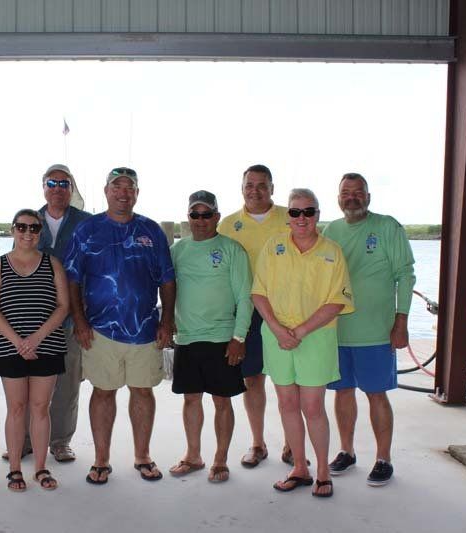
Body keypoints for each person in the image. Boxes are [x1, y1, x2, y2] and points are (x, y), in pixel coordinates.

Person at [65, 167, 176, 485]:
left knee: (142, 392)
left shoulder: (151, 230)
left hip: (144, 330)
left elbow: (167, 280)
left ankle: (142, 456)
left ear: (137, 193)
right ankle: (101, 460)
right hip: (99, 330)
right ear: (106, 191)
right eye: (117, 186)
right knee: (103, 392)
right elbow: (73, 279)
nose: (123, 192)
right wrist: (80, 321)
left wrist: (167, 322)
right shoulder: (88, 229)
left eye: (130, 187)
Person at [251, 188, 354, 498]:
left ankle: (323, 471)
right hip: (277, 337)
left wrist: (302, 330)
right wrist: (277, 328)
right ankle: (299, 468)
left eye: (308, 212)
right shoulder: (273, 247)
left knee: (312, 407)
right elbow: (259, 292)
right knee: (287, 404)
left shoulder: (332, 252)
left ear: (317, 215)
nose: (301, 218)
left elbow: (338, 300)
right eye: (295, 212)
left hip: (316, 338)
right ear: (288, 217)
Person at [323, 172, 415, 487]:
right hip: (336, 332)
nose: (352, 197)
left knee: (376, 394)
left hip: (377, 332)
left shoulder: (387, 226)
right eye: (346, 192)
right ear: (338, 198)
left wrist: (401, 321)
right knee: (342, 392)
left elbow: (406, 275)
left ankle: (383, 458)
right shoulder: (331, 230)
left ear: (368, 196)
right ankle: (346, 452)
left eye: (358, 191)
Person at [3, 164, 92, 463]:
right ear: (43, 187)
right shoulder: (30, 221)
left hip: (71, 318)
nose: (57, 188)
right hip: (28, 318)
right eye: (52, 182)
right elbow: (12, 265)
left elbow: (95, 269)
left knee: (67, 383)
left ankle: (61, 441)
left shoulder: (86, 223)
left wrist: (84, 318)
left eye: (64, 183)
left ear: (71, 188)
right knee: (27, 383)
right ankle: (25, 439)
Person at [168, 191, 253, 483]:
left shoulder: (232, 249)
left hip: (222, 337)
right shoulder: (177, 251)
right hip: (188, 338)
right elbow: (166, 290)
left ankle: (220, 459)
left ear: (217, 216)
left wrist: (239, 337)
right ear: (188, 218)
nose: (200, 220)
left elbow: (245, 297)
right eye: (195, 215)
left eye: (207, 214)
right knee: (191, 398)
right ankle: (193, 456)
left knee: (221, 400)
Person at [217, 164, 296, 468]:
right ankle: (258, 444)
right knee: (253, 380)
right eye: (250, 185)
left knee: (287, 381)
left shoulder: (291, 218)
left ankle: (291, 443)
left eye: (262, 185)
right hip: (246, 313)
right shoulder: (228, 224)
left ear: (272, 188)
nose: (255, 190)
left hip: (285, 310)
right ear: (242, 188)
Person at [0, 209, 70, 491]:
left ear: (40, 233)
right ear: (13, 230)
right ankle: (14, 469)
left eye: (34, 228)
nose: (27, 233)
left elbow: (62, 307)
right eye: (21, 227)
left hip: (47, 346)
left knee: (40, 408)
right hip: (10, 348)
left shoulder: (52, 264)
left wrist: (35, 339)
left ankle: (41, 468)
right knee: (17, 408)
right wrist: (17, 342)